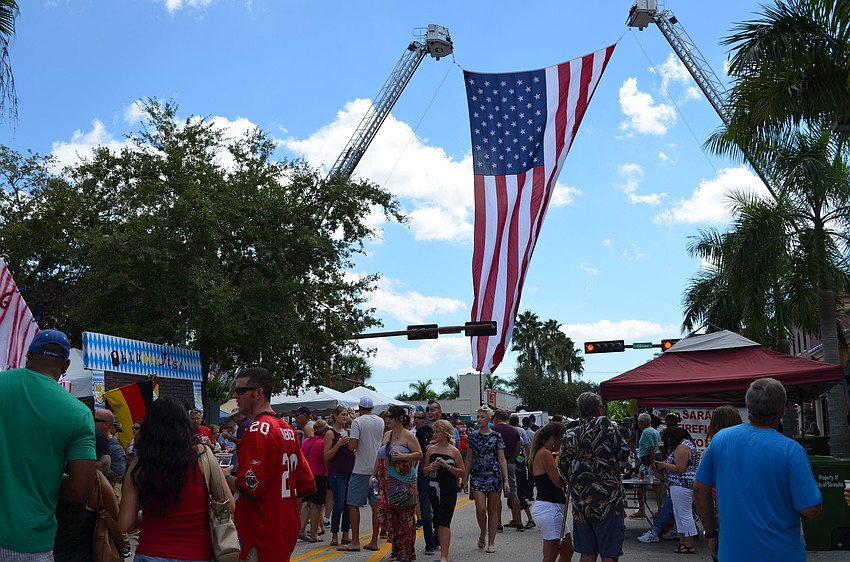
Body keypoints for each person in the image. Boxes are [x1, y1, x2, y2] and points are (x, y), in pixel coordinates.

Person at [694, 378, 822, 562]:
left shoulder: (721, 439)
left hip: (732, 554)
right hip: (781, 554)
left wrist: (712, 534)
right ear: (782, 409)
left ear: (748, 406)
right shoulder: (791, 450)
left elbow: (699, 489)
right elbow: (811, 509)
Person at [0, 329, 97, 560]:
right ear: (65, 366)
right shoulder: (79, 413)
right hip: (29, 543)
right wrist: (52, 477)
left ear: (29, 356)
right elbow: (80, 488)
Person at [118, 396, 234, 559]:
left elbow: (125, 524)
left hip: (151, 552)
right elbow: (229, 506)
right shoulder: (203, 455)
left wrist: (145, 515)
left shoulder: (140, 464)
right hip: (197, 553)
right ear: (185, 425)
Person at [225, 367, 316, 562]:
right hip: (284, 527)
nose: (235, 396)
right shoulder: (287, 429)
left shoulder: (257, 430)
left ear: (259, 393)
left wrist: (222, 476)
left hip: (261, 531)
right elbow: (306, 483)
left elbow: (249, 488)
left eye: (240, 391)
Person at [558, 392, 630, 562]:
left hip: (581, 503)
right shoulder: (607, 428)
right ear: (598, 409)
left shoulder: (569, 435)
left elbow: (562, 473)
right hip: (608, 502)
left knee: (588, 553)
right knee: (609, 554)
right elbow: (624, 454)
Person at [372, 405, 422, 562]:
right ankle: (396, 549)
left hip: (403, 480)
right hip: (385, 480)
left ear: (400, 419)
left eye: (390, 417)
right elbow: (379, 457)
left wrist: (402, 455)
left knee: (405, 517)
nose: (387, 420)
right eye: (386, 417)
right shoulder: (387, 435)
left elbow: (419, 454)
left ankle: (406, 552)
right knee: (389, 516)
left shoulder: (408, 436)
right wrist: (372, 475)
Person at [338, 396, 384, 553]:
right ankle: (374, 541)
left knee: (353, 504)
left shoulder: (358, 422)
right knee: (375, 506)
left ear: (360, 407)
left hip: (361, 469)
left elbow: (352, 446)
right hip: (376, 469)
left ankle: (355, 541)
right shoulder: (380, 421)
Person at [463, 405, 510, 554]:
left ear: (489, 418)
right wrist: (465, 479)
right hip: (478, 474)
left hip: (494, 474)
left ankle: (491, 542)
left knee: (492, 510)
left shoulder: (496, 436)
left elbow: (502, 459)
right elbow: (469, 459)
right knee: (480, 508)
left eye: (482, 417)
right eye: (477, 417)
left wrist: (506, 479)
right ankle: (483, 532)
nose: (479, 420)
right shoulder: (473, 436)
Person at [530, 422, 573, 562]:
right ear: (554, 438)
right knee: (551, 555)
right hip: (549, 508)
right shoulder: (545, 454)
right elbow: (559, 481)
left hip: (553, 507)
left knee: (567, 551)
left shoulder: (542, 453)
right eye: (562, 439)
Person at [654, 426, 700, 554]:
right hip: (681, 484)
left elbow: (680, 468)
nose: (668, 442)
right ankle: (683, 542)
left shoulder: (681, 448)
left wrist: (664, 465)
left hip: (681, 484)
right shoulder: (688, 445)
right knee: (680, 514)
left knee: (684, 514)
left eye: (668, 439)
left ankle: (689, 543)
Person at [425, 419, 465, 562]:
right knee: (437, 520)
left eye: (437, 431)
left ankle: (444, 556)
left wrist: (447, 466)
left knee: (444, 521)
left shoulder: (453, 451)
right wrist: (430, 468)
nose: (434, 434)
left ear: (446, 433)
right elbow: (424, 470)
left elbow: (462, 471)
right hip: (433, 487)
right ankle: (442, 553)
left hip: (448, 489)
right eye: (434, 431)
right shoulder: (431, 449)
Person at [324, 406, 354, 547]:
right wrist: (339, 445)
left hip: (350, 471)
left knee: (349, 504)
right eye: (343, 414)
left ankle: (346, 533)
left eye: (346, 415)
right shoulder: (331, 433)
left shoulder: (347, 432)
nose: (345, 417)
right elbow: (326, 456)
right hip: (337, 473)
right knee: (339, 503)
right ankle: (334, 534)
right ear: (335, 416)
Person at [491, 409, 524, 531]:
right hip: (509, 463)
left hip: (495, 463)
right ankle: (519, 522)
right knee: (513, 494)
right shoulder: (514, 431)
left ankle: (498, 523)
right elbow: (517, 448)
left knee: (496, 495)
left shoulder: (493, 430)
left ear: (496, 417)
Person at [300, 419, 329, 543]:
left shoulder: (306, 441)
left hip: (307, 474)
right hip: (318, 474)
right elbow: (326, 458)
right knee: (316, 506)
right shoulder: (322, 443)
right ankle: (313, 534)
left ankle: (301, 530)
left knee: (307, 504)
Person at [413, 407, 437, 555]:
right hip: (420, 473)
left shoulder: (433, 431)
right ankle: (430, 542)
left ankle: (436, 538)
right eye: (415, 417)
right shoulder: (412, 434)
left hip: (435, 473)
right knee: (426, 510)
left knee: (437, 509)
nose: (416, 420)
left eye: (419, 417)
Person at [632, 412, 662, 519]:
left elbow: (651, 448)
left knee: (642, 484)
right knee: (656, 485)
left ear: (640, 422)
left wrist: (652, 464)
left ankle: (642, 510)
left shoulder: (646, 433)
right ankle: (658, 509)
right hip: (652, 459)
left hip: (648, 460)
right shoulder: (654, 431)